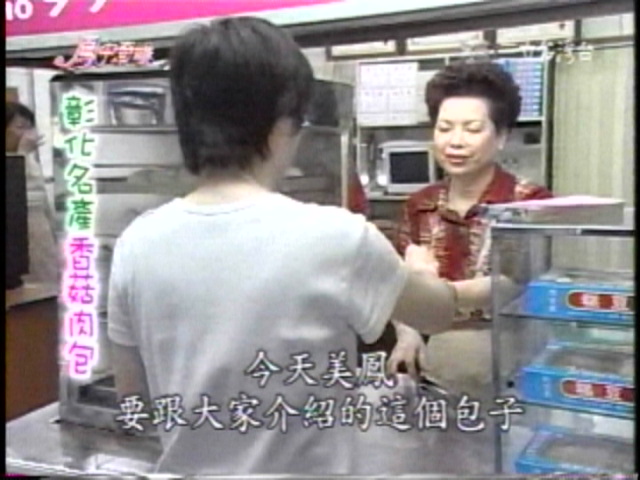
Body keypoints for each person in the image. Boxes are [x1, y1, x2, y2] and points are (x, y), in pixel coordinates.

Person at [108, 18, 491, 475]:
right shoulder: (337, 237)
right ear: (282, 124)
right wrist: (423, 271)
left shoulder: (136, 243)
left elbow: (133, 396)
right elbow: (437, 313)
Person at [392, 61, 553, 402]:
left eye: (472, 129)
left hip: (511, 368)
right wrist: (407, 334)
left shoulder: (531, 203)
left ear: (502, 136)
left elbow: (514, 282)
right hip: (435, 372)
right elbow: (398, 281)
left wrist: (434, 292)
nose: (456, 141)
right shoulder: (420, 204)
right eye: (445, 128)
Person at [5, 101, 59, 286]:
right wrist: (22, 153)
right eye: (20, 127)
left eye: (30, 127)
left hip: (40, 237)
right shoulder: (18, 159)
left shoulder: (28, 159)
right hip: (17, 248)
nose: (28, 134)